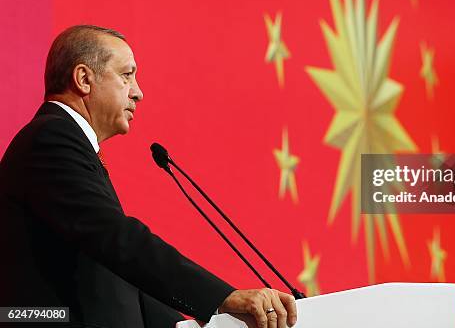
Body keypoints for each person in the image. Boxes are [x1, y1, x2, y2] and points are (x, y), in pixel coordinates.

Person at [0, 25, 297, 328]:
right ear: (84, 79)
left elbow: (120, 278)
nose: (138, 92)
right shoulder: (50, 138)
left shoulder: (67, 143)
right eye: (126, 75)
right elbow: (120, 241)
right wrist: (221, 298)